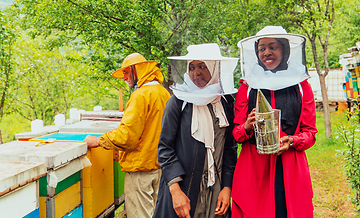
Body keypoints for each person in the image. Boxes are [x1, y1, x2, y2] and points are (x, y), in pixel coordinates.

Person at [232, 26, 318, 218]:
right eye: (261, 48)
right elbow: (236, 133)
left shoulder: (301, 86)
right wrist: (247, 126)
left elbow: (310, 133)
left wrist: (292, 141)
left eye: (273, 47)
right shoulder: (246, 87)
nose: (266, 52)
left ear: (285, 50)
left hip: (291, 169)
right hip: (254, 170)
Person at [153, 43, 239, 218]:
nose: (196, 72)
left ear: (215, 68)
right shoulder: (178, 102)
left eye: (202, 66)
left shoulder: (225, 102)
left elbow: (230, 148)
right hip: (184, 189)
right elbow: (165, 148)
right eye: (191, 67)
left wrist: (227, 187)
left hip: (216, 190)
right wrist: (175, 190)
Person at [84, 53, 171, 218]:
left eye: (126, 72)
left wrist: (98, 141)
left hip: (140, 171)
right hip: (160, 168)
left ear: (137, 70)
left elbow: (127, 136)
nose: (124, 77)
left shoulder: (140, 96)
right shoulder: (163, 92)